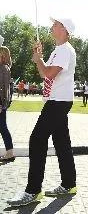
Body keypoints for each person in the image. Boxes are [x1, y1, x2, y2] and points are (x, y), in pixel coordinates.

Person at [7, 17, 77, 207]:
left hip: (58, 102)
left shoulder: (64, 50)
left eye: (55, 24)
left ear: (64, 29)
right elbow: (43, 73)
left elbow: (50, 74)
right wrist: (39, 59)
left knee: (37, 140)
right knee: (62, 142)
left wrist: (40, 61)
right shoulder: (59, 50)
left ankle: (33, 190)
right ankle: (69, 184)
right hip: (57, 100)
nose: (51, 27)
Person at [0, 45, 14, 162]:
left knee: (3, 128)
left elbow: (4, 89)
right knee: (3, 128)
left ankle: (10, 153)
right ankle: (9, 152)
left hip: (0, 104)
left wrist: (1, 104)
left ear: (2, 55)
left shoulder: (4, 68)